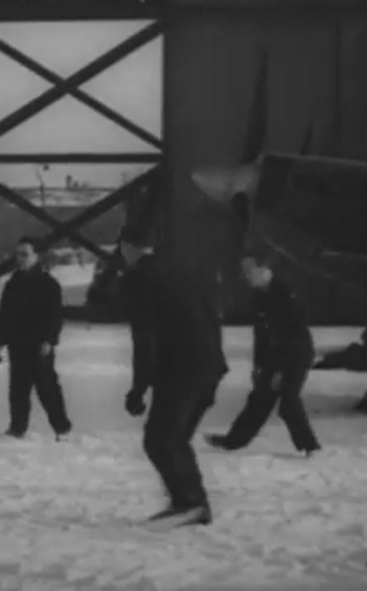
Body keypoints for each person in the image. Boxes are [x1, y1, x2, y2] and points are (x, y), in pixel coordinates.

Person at [119, 224, 228, 528]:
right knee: (173, 438)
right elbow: (211, 312)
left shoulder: (140, 279)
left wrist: (139, 388)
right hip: (207, 365)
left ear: (126, 248)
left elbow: (146, 337)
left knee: (161, 439)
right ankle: (190, 502)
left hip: (182, 368)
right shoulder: (180, 271)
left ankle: (190, 503)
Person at [205, 252, 321, 456]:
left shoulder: (284, 292)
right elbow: (261, 335)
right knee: (259, 399)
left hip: (295, 355)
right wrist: (258, 367)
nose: (246, 276)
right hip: (273, 357)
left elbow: (291, 334)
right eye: (244, 271)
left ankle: (310, 446)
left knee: (288, 403)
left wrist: (280, 371)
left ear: (264, 271)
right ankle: (233, 441)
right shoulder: (259, 296)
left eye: (250, 270)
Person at [0, 236, 72, 440]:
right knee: (18, 389)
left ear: (36, 257)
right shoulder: (13, 284)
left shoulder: (48, 284)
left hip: (39, 345)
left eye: (25, 254)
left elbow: (55, 316)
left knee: (47, 387)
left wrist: (49, 340)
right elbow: (5, 314)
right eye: (18, 254)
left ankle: (61, 426)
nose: (20, 259)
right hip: (17, 344)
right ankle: (17, 427)